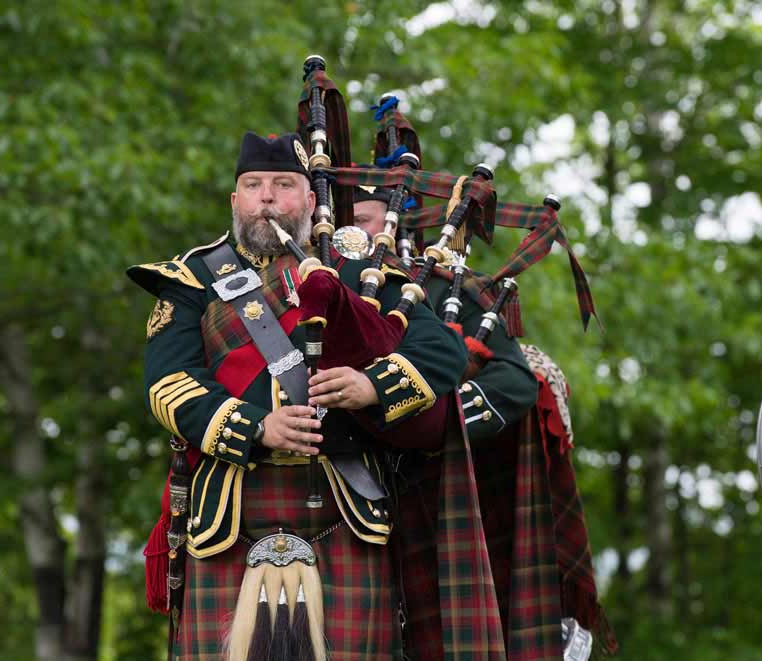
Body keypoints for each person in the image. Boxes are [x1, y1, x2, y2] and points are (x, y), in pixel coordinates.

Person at [128, 131, 468, 660]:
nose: (267, 197)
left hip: (346, 506)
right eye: (254, 184)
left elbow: (441, 351)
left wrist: (371, 386)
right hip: (230, 515)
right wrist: (257, 427)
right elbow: (170, 385)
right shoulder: (192, 279)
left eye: (284, 185)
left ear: (310, 201)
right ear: (234, 199)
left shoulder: (359, 273)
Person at [353, 183, 618, 658]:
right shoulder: (305, 291)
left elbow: (515, 381)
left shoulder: (436, 285)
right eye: (347, 221)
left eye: (368, 221)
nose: (358, 234)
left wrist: (436, 418)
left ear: (398, 226)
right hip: (341, 509)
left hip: (436, 501)